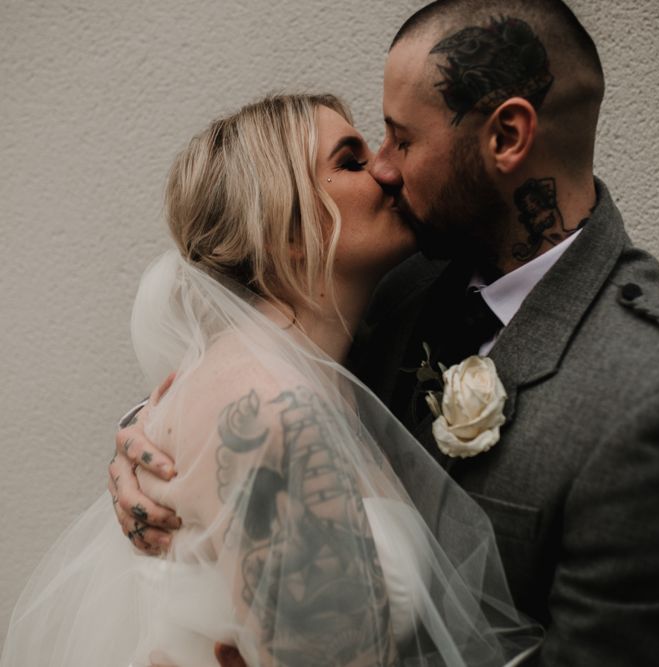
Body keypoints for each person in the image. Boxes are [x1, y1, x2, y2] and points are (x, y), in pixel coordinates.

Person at [112, 1, 659, 665]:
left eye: (401, 140)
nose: (384, 166)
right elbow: (262, 383)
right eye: (364, 149)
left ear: (505, 137)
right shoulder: (391, 280)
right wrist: (154, 453)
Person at [1, 93, 541, 667]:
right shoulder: (271, 407)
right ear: (285, 228)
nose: (387, 171)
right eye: (351, 162)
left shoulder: (313, 370)